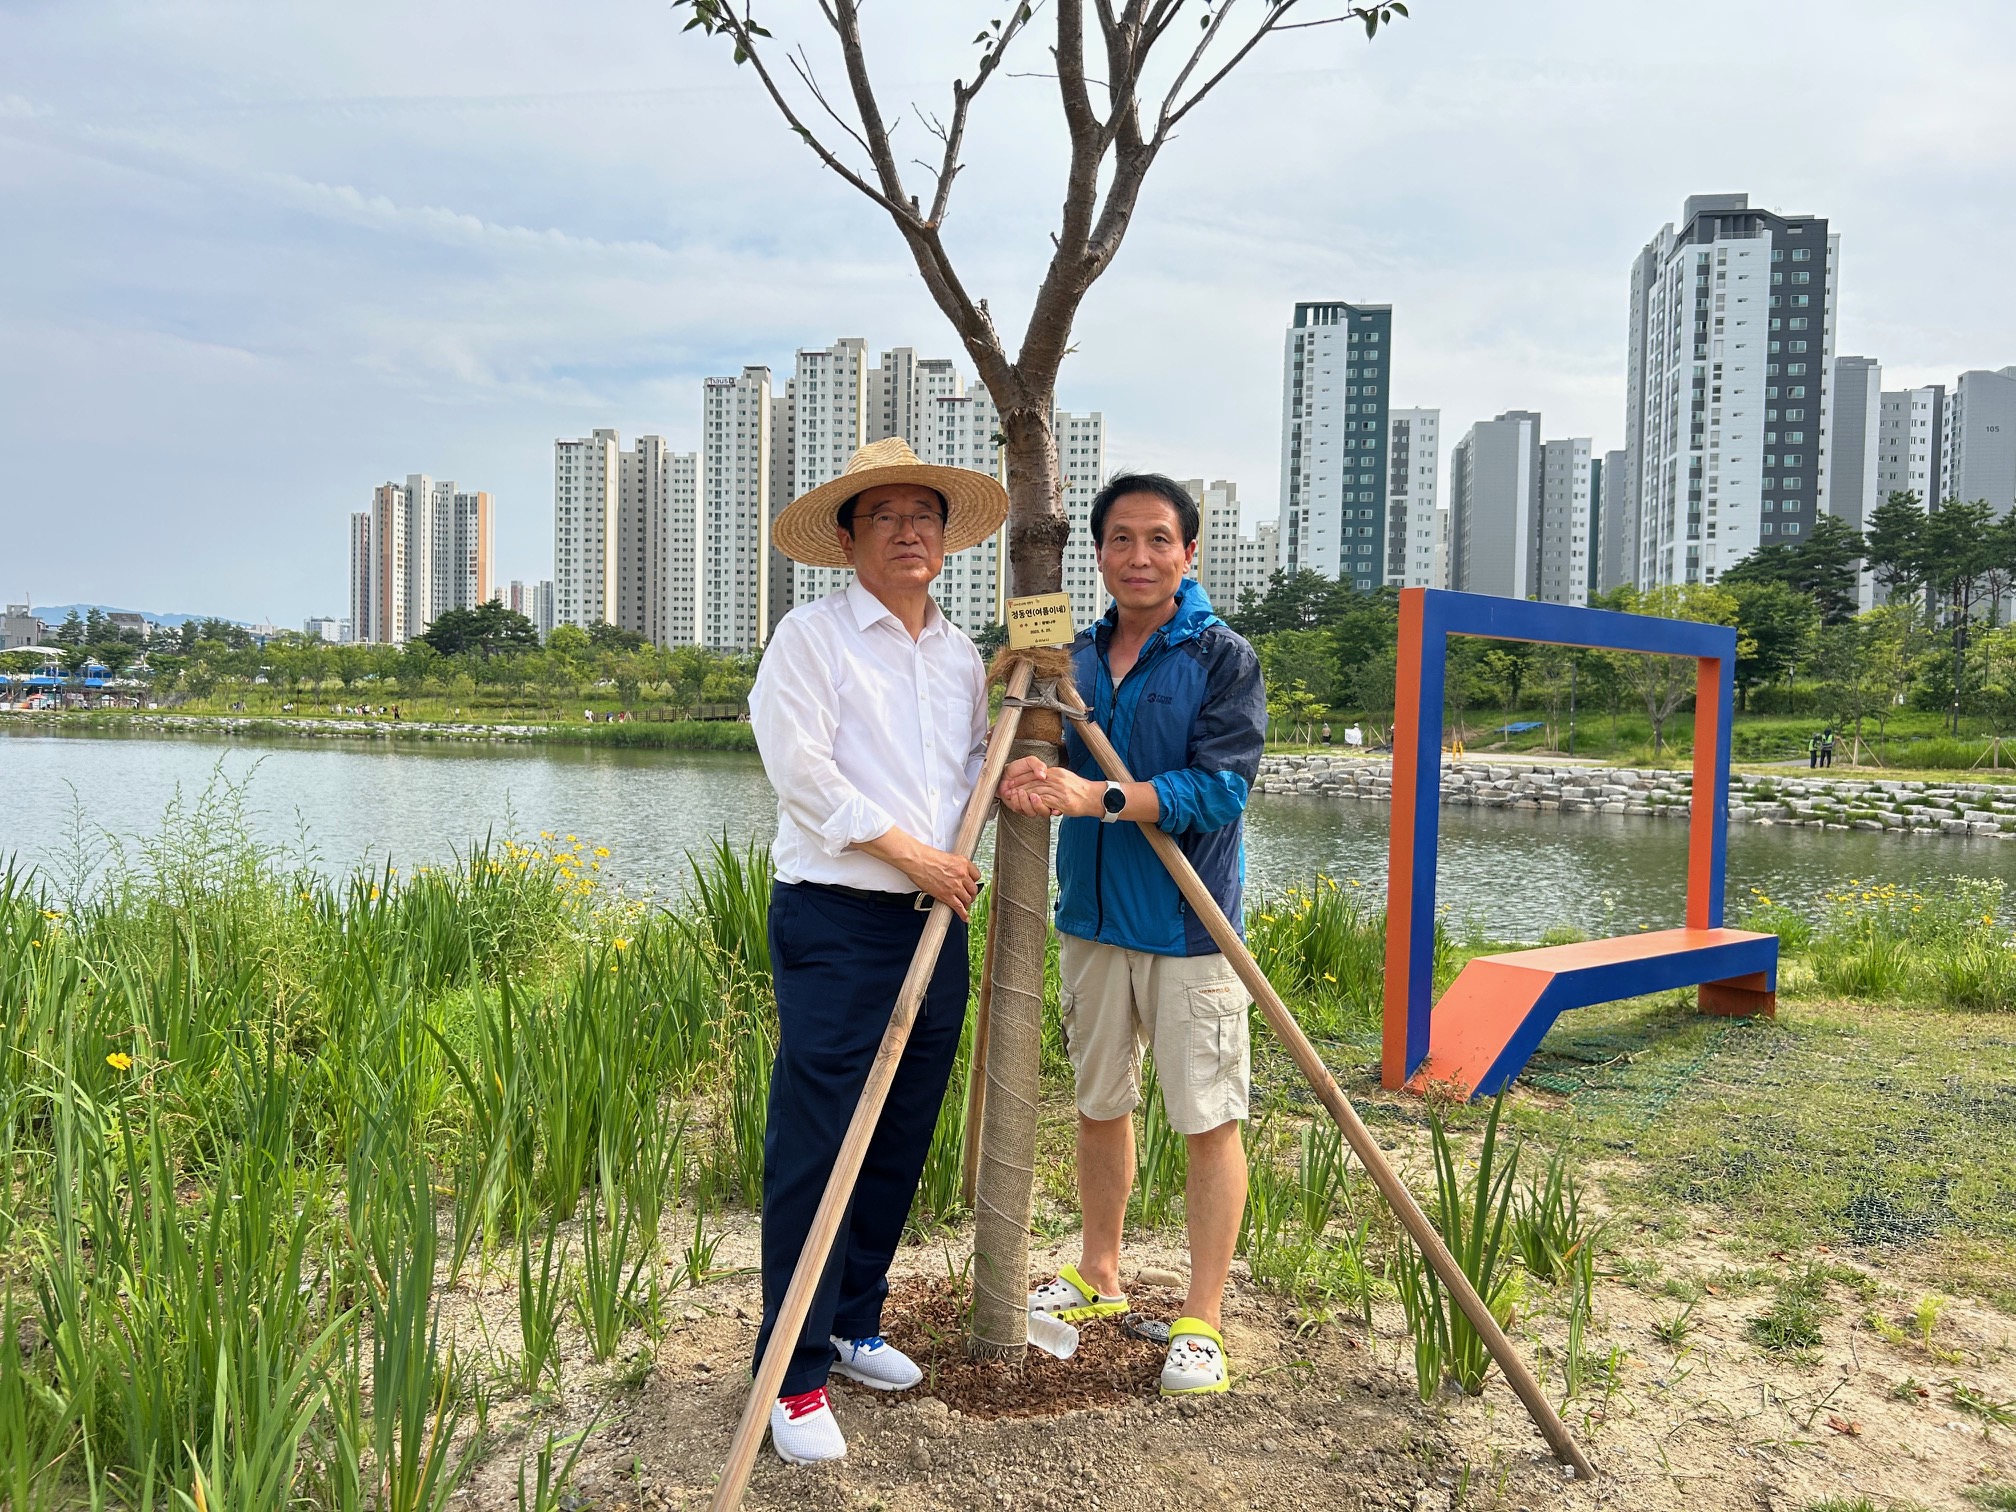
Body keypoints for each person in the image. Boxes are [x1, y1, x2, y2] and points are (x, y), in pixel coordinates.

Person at [747, 437, 1009, 1466]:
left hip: (931, 925)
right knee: (818, 1143)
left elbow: (972, 773)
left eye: (925, 514)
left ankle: (855, 1319)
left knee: (900, 1131)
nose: (909, 529)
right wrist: (917, 857)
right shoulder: (810, 638)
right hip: (840, 915)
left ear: (945, 540)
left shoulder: (959, 654)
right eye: (886, 515)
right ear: (847, 539)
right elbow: (801, 773)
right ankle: (792, 1370)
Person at [998, 473, 1267, 1399]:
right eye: (1120, 539)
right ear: (1099, 553)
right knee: (1099, 1102)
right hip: (1092, 919)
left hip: (1191, 927)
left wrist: (1101, 798)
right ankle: (1099, 1274)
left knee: (1206, 1117)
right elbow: (1045, 761)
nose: (1139, 556)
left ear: (1189, 552)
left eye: (1159, 539)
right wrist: (1021, 742)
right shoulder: (1070, 660)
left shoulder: (1222, 656)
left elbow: (1222, 789)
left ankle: (1201, 1318)